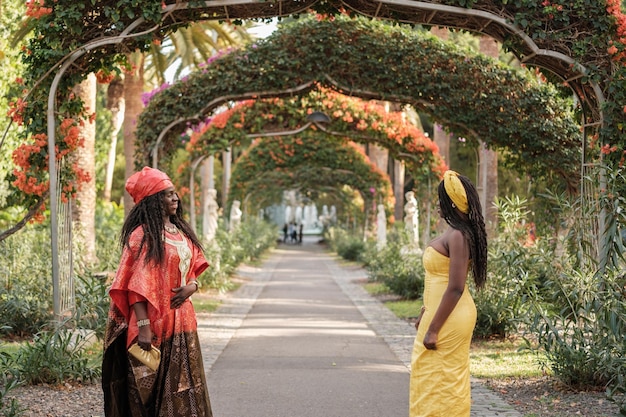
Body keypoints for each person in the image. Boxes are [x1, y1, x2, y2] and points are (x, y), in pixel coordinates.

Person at [102, 166, 213, 417]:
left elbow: (191, 270)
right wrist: (143, 326)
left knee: (185, 385)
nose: (175, 198)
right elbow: (134, 287)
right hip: (154, 323)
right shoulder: (143, 236)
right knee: (146, 391)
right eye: (167, 194)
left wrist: (192, 287)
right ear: (153, 200)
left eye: (174, 194)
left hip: (183, 321)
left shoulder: (181, 232)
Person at [410, 170, 487, 417]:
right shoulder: (457, 232)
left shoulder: (458, 235)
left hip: (450, 317)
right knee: (430, 378)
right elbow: (438, 280)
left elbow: (455, 287)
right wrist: (425, 312)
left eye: (441, 200)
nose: (438, 205)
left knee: (443, 382)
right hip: (441, 313)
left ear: (452, 202)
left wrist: (433, 328)